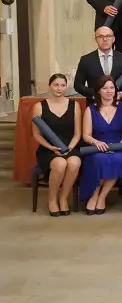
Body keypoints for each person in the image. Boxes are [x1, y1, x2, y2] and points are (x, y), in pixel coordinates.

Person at [31, 73, 81, 216]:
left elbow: (77, 134)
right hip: (48, 149)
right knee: (60, 164)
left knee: (74, 163)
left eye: (63, 85)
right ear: (50, 86)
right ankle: (52, 200)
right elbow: (36, 135)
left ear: (66, 87)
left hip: (70, 146)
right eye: (56, 85)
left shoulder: (75, 105)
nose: (59, 88)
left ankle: (63, 198)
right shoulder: (39, 106)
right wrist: (51, 147)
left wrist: (69, 148)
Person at [80, 75, 122, 214]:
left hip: (119, 146)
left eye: (112, 88)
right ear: (98, 91)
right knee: (99, 159)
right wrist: (96, 142)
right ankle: (94, 195)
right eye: (105, 88)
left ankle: (101, 197)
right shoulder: (90, 109)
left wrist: (117, 147)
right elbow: (86, 135)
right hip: (97, 146)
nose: (109, 91)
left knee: (118, 159)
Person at [74, 27, 122, 100]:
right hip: (95, 103)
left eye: (108, 36)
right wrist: (94, 94)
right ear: (95, 39)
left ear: (113, 39)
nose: (105, 39)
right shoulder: (86, 60)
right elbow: (78, 85)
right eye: (100, 36)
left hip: (118, 102)